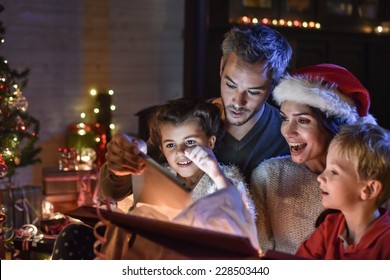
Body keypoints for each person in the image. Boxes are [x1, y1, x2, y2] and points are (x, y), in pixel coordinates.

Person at [52, 97, 258, 259]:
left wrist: (216, 173)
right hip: (150, 253)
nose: (180, 152)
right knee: (73, 234)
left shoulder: (225, 176)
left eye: (190, 142)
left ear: (210, 142)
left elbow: (244, 218)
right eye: (170, 145)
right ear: (161, 148)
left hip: (192, 258)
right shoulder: (162, 174)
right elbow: (129, 211)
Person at [98, 24, 292, 195]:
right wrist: (120, 166)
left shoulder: (287, 136)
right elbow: (115, 191)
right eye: (231, 85)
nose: (238, 102)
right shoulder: (189, 120)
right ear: (221, 67)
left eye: (253, 92)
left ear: (275, 85)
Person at [250, 63, 377, 255]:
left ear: (333, 126)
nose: (287, 131)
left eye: (303, 121)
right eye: (284, 118)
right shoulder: (269, 176)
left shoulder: (368, 181)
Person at [295, 123, 390, 259]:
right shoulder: (329, 227)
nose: (321, 177)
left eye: (333, 171)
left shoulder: (386, 243)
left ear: (369, 189)